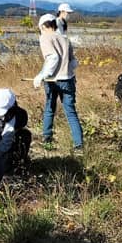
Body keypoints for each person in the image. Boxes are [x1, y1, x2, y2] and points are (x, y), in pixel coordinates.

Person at [33, 13, 83, 150]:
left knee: (50, 108)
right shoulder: (65, 38)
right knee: (71, 112)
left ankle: (47, 140)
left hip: (52, 80)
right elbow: (74, 62)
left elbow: (52, 58)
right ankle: (79, 145)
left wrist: (41, 76)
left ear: (43, 26)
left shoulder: (45, 37)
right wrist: (67, 72)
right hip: (68, 80)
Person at [0, 88, 31, 173]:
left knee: (25, 135)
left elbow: (7, 141)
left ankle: (17, 165)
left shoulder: (20, 116)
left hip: (5, 150)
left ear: (13, 106)